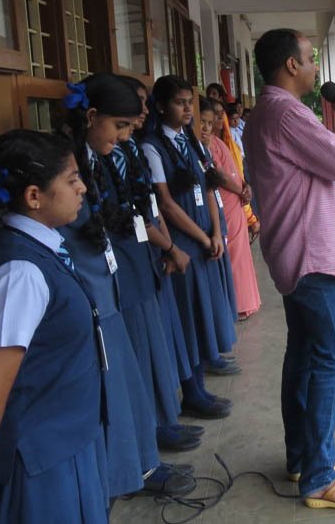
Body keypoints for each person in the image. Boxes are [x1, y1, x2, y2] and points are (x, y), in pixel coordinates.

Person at [0, 130, 108, 523]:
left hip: (61, 448)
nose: (82, 188)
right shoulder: (19, 275)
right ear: (34, 196)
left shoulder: (42, 250)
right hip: (35, 471)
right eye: (72, 180)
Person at [244, 28, 335, 511]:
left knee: (304, 354)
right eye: (311, 58)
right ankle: (319, 475)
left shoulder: (267, 112)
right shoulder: (286, 114)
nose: (317, 67)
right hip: (309, 255)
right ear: (291, 65)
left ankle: (303, 455)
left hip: (293, 251)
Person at [59, 73, 194, 498]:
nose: (123, 135)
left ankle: (141, 462)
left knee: (127, 380)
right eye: (119, 125)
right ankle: (131, 472)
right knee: (112, 387)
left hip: (110, 285)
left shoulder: (98, 157)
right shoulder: (67, 164)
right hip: (91, 293)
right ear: (91, 116)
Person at [142, 75, 237, 419]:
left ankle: (200, 387)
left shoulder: (191, 140)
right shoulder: (151, 147)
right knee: (186, 319)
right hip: (183, 242)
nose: (186, 109)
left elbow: (208, 187)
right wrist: (201, 237)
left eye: (189, 103)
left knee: (202, 314)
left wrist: (216, 232)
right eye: (179, 103)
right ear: (160, 106)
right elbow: (165, 204)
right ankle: (192, 392)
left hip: (205, 237)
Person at [119, 75, 204, 453]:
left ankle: (168, 417)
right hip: (131, 262)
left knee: (163, 338)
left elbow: (150, 208)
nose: (141, 112)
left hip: (153, 252)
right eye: (135, 105)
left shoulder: (129, 151)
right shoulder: (139, 149)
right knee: (144, 348)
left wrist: (168, 247)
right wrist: (171, 246)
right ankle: (153, 432)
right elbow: (152, 207)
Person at [200, 98, 262, 320]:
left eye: (218, 115)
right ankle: (237, 304)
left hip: (236, 199)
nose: (216, 120)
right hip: (225, 201)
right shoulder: (205, 146)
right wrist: (239, 190)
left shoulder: (219, 142)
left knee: (241, 254)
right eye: (206, 120)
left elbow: (235, 168)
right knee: (232, 254)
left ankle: (246, 302)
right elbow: (218, 174)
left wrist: (245, 186)